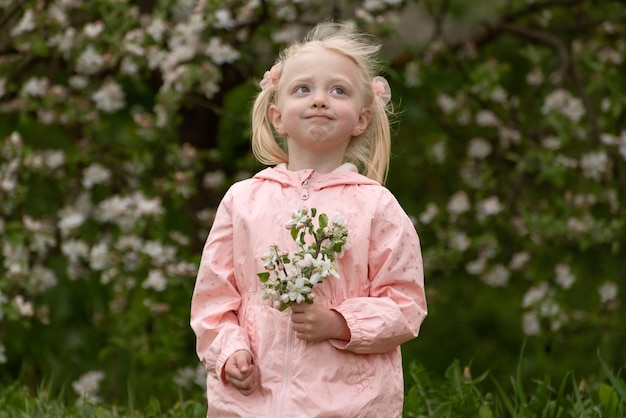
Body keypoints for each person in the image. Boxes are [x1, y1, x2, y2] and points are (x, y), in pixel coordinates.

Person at [190, 21, 427, 417]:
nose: (320, 100)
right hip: (252, 404)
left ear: (362, 119)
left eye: (338, 90)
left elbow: (405, 304)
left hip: (347, 404)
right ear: (277, 116)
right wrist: (229, 353)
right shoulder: (243, 200)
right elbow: (213, 299)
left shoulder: (377, 207)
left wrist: (339, 322)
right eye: (303, 89)